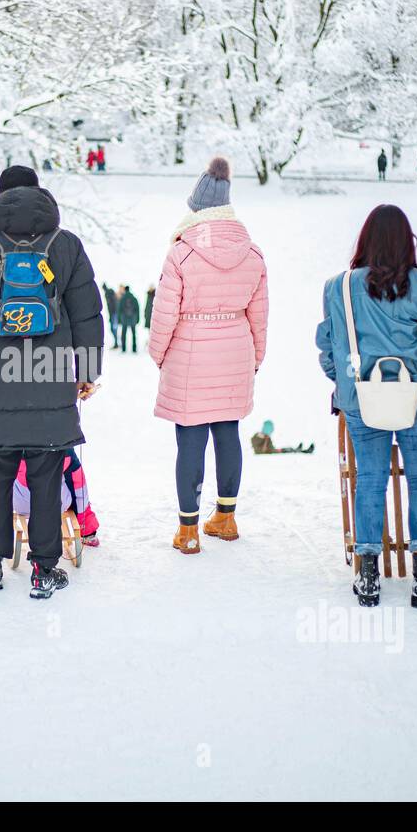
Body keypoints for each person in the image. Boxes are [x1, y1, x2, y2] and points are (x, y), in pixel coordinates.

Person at [0, 165, 104, 598]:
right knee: (46, 474)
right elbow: (88, 314)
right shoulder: (66, 246)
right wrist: (87, 372)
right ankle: (44, 569)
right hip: (50, 374)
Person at [315, 204, 417, 608]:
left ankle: (368, 574)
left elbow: (328, 345)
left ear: (365, 241)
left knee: (370, 479)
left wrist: (344, 384)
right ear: (407, 242)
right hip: (413, 397)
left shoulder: (338, 287)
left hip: (361, 397)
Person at [149, 156, 268, 554]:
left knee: (190, 440)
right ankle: (226, 518)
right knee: (228, 433)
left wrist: (159, 355)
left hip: (190, 354)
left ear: (196, 208)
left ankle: (188, 530)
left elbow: (164, 313)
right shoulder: (252, 253)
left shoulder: (181, 253)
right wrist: (255, 358)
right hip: (236, 351)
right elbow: (259, 315)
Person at [13, 449, 101, 547]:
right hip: (56, 504)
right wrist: (87, 529)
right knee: (74, 480)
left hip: (22, 505)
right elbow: (79, 488)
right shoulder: (66, 449)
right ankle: (88, 535)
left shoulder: (12, 444)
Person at [117, 284, 140, 353]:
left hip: (124, 319)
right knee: (134, 334)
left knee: (123, 334)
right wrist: (137, 319)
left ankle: (123, 348)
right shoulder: (134, 298)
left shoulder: (122, 299)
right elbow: (137, 309)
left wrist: (119, 320)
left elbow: (119, 310)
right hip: (133, 319)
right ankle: (134, 348)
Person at [103, 282, 119, 350]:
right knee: (113, 329)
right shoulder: (110, 293)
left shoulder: (108, 293)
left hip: (114, 314)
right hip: (113, 314)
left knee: (114, 329)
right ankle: (116, 342)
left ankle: (116, 343)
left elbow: (113, 304)